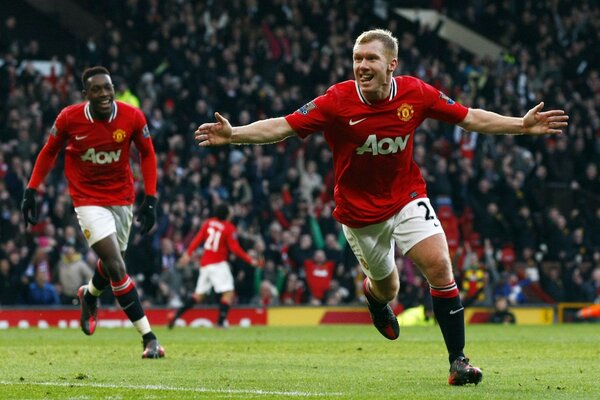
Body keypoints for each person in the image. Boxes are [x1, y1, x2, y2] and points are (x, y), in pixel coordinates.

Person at [194, 29, 568, 385]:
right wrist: (234, 134)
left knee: (439, 264)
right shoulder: (336, 101)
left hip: (406, 195)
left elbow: (469, 117)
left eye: (371, 58)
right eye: (357, 59)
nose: (361, 66)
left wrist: (521, 124)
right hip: (359, 214)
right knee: (388, 287)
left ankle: (458, 362)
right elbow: (285, 126)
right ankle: (375, 300)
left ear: (392, 64)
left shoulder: (415, 93)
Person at [21, 66, 165, 358]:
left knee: (112, 262)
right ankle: (149, 337)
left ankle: (89, 295)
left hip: (122, 198)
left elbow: (147, 154)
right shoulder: (69, 118)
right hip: (86, 199)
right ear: (85, 95)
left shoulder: (132, 117)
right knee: (116, 265)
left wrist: (151, 198)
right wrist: (31, 189)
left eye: (107, 88)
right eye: (96, 90)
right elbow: (49, 151)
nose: (104, 94)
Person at [168, 203, 259, 328]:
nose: (232, 213)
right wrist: (250, 260)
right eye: (230, 211)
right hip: (218, 264)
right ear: (227, 214)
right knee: (228, 292)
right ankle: (221, 323)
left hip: (205, 265)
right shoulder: (229, 228)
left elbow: (198, 239)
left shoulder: (208, 223)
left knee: (198, 296)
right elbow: (235, 248)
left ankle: (176, 315)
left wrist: (188, 254)